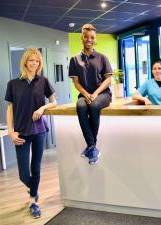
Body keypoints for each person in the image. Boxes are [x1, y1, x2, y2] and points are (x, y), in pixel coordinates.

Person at [5, 48, 57, 218]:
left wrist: (42, 108)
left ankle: (33, 201)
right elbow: (10, 108)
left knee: (36, 167)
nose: (34, 63)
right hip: (20, 132)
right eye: (31, 60)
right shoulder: (13, 84)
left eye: (37, 61)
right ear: (25, 62)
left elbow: (53, 102)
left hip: (39, 131)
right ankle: (34, 188)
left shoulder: (43, 81)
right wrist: (11, 131)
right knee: (23, 174)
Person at [68, 24, 112, 165]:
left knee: (93, 106)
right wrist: (86, 93)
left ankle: (91, 146)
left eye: (92, 37)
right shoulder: (74, 59)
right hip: (84, 94)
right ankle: (92, 147)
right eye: (86, 37)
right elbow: (76, 82)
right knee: (80, 106)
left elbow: (108, 79)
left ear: (95, 39)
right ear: (81, 38)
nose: (89, 39)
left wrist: (95, 93)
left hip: (103, 94)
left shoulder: (102, 58)